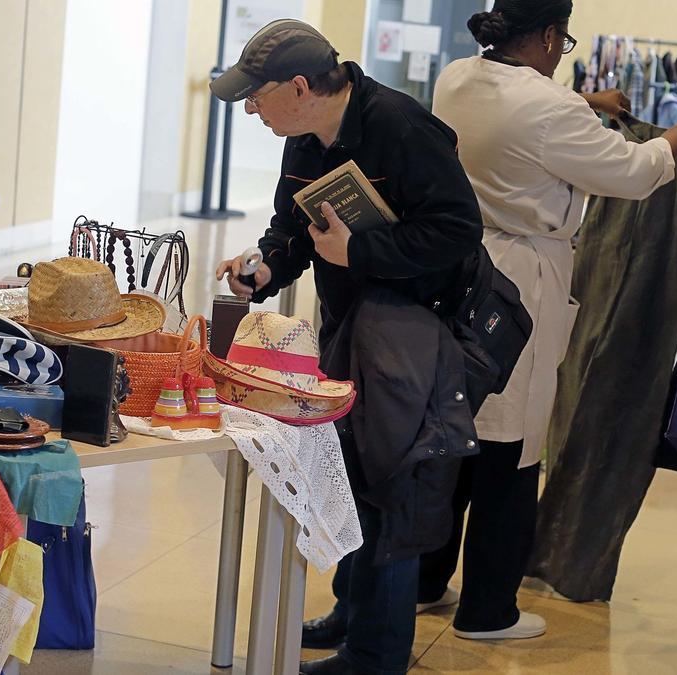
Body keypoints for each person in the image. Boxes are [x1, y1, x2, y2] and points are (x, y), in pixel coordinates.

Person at [421, 0, 677, 640]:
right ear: (551, 36)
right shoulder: (550, 110)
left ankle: (424, 579)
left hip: (459, 266)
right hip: (520, 278)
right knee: (512, 443)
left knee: (456, 426)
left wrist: (586, 103)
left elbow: (523, 114)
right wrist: (676, 140)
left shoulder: (457, 78)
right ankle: (487, 609)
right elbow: (630, 173)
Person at [211, 19, 484, 675]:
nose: (250, 109)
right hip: (349, 323)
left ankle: (376, 653)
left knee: (391, 481)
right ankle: (351, 611)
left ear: (300, 87)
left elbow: (457, 231)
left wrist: (362, 250)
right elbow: (295, 229)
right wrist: (267, 266)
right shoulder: (303, 139)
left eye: (256, 95)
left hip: (415, 333)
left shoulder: (401, 127)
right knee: (346, 470)